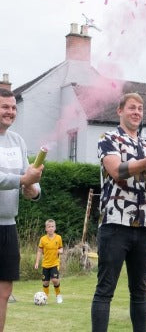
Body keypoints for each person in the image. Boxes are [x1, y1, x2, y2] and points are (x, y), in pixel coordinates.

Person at [91, 92, 146, 332]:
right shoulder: (108, 138)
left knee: (139, 291)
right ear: (120, 111)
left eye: (140, 109)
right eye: (132, 108)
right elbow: (116, 170)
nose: (137, 112)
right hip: (115, 223)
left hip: (144, 226)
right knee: (105, 290)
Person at [0, 89, 43, 332]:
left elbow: (30, 177)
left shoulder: (18, 141)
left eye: (14, 107)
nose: (11, 112)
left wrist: (33, 190)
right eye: (5, 107)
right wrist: (22, 181)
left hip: (8, 225)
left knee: (4, 291)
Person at [34, 218, 64, 303]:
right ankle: (45, 298)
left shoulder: (58, 238)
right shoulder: (43, 239)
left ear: (55, 228)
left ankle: (58, 295)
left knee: (54, 280)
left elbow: (61, 248)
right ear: (46, 229)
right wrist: (37, 262)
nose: (51, 228)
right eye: (49, 226)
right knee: (45, 283)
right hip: (45, 264)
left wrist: (60, 251)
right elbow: (39, 251)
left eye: (52, 226)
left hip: (55, 263)